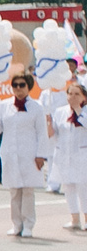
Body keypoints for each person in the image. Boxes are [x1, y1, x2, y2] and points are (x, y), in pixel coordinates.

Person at [0, 69, 52, 239]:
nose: (18, 89)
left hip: (29, 153)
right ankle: (16, 223)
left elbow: (42, 132)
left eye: (22, 85)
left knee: (28, 190)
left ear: (29, 87)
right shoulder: (4, 105)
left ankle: (28, 224)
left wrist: (41, 154)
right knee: (14, 190)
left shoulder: (36, 107)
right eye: (15, 85)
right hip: (10, 152)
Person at [57, 78, 87, 232]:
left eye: (77, 94)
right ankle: (74, 218)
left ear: (84, 97)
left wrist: (78, 111)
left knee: (83, 187)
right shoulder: (60, 112)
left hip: (83, 155)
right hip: (65, 154)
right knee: (68, 186)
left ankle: (86, 218)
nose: (73, 97)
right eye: (70, 94)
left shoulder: (85, 112)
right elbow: (55, 132)